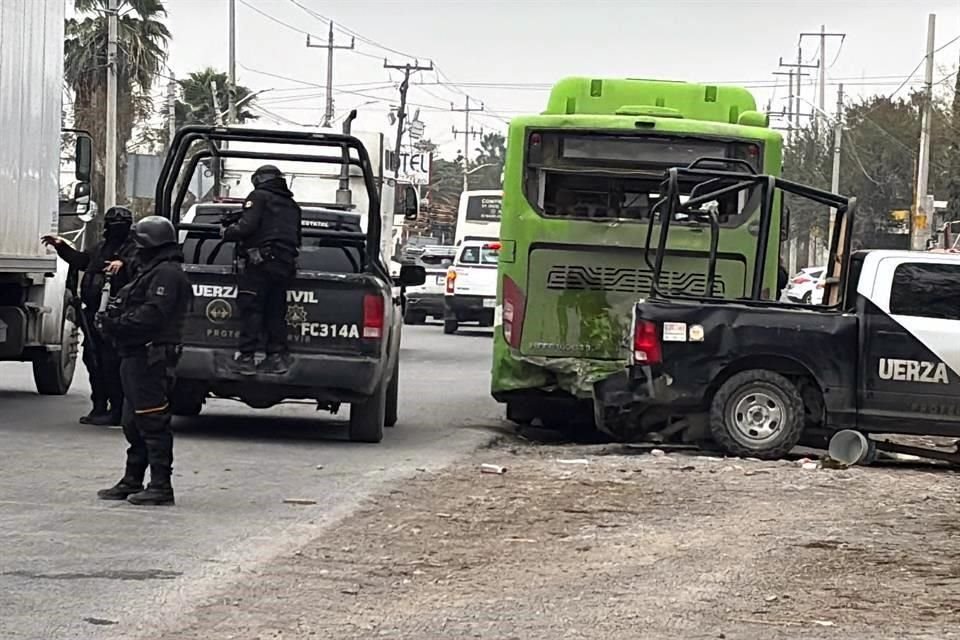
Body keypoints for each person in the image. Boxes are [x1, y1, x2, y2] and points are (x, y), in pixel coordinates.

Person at [96, 216, 193, 507]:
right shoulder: (151, 271)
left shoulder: (166, 275)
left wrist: (116, 324)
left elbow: (152, 315)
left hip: (150, 356)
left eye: (139, 245)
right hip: (135, 355)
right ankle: (133, 479)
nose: (135, 251)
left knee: (152, 421)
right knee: (133, 421)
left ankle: (161, 486)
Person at [42, 206, 138, 426]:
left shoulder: (134, 249)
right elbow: (81, 261)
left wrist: (123, 264)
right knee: (94, 360)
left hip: (118, 315)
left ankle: (118, 409)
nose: (117, 229)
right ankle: (99, 406)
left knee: (112, 363)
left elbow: (141, 267)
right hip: (94, 314)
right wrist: (61, 247)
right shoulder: (102, 247)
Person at [223, 165, 302, 375]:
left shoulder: (258, 197)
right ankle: (276, 357)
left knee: (252, 307)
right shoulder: (292, 205)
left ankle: (246, 358)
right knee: (275, 311)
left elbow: (246, 227)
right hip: (284, 264)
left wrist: (228, 231)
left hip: (260, 264)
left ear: (258, 179)